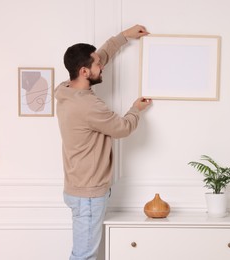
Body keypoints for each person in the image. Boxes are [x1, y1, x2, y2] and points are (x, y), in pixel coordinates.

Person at [55, 24, 152, 260]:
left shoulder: (65, 90)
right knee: (84, 256)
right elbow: (122, 128)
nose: (103, 66)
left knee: (83, 253)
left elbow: (98, 56)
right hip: (88, 194)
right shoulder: (89, 106)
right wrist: (135, 109)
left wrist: (122, 38)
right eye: (98, 65)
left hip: (79, 188)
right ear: (85, 72)